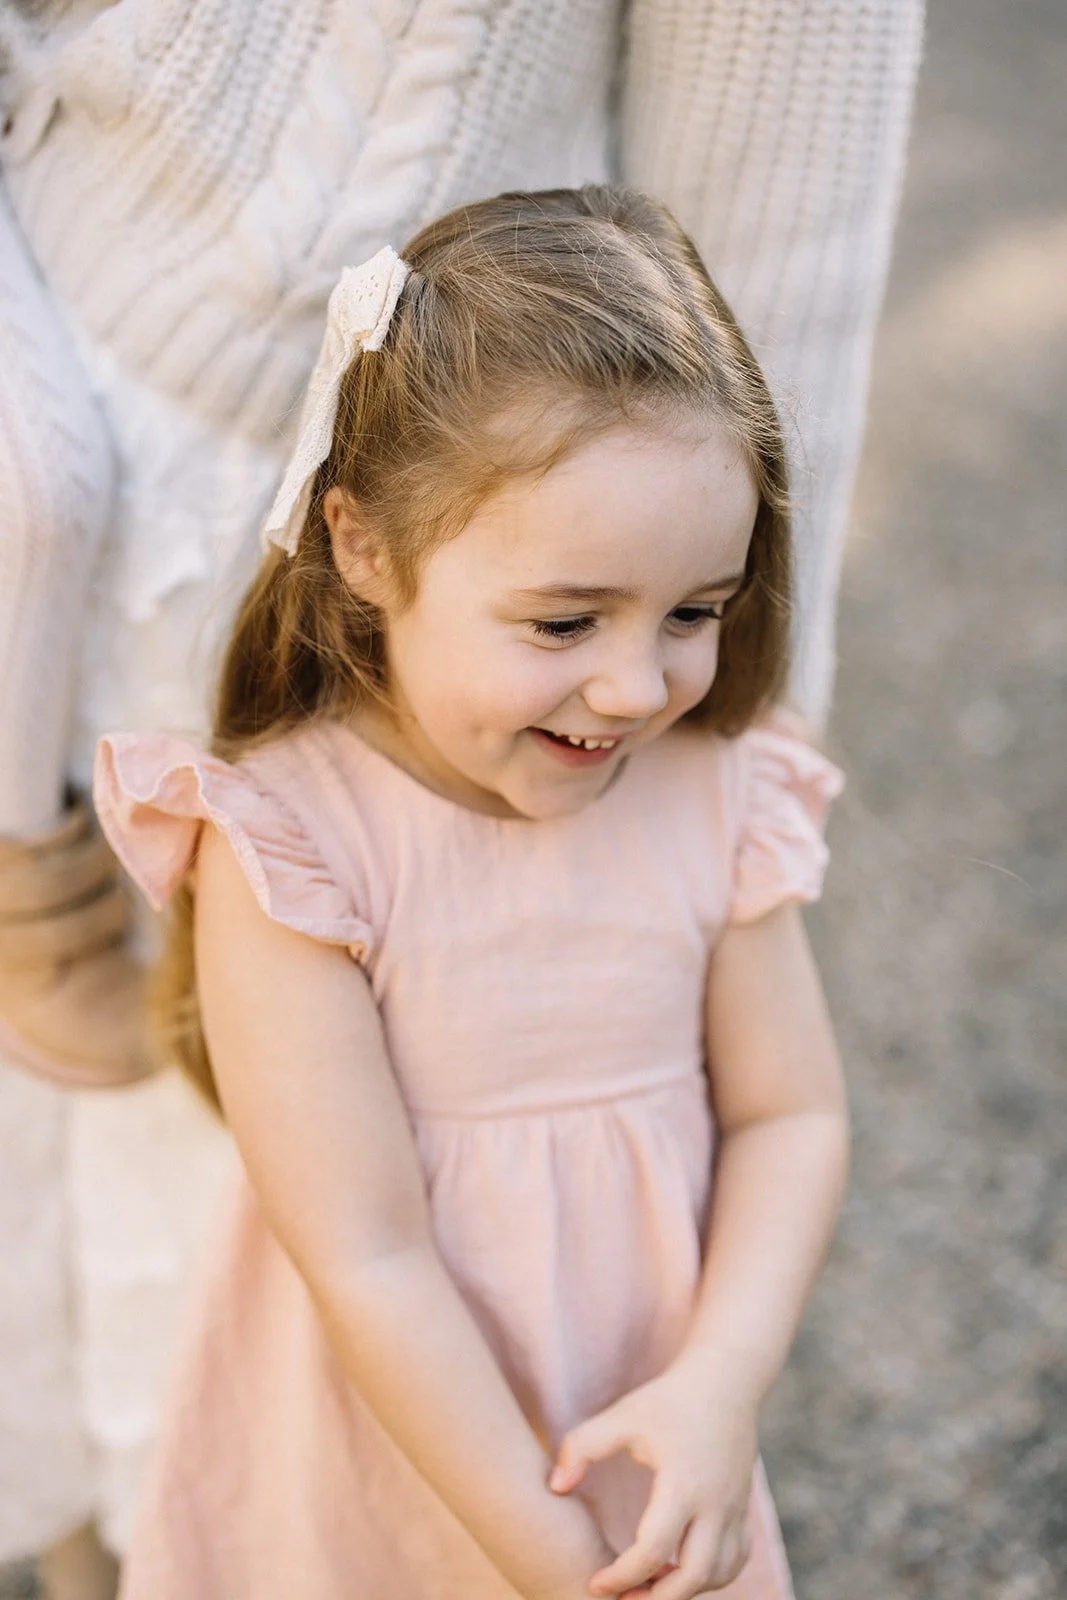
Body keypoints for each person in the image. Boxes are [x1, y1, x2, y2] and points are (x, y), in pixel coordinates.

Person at [0, 5, 923, 1592]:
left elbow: (792, 1113)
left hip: (647, 1461)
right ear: (364, 547)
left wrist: (716, 1391)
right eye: (565, 622)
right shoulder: (291, 853)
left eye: (692, 610)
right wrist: (542, 1553)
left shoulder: (712, 797)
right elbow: (364, 1253)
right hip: (386, 1469)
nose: (636, 687)